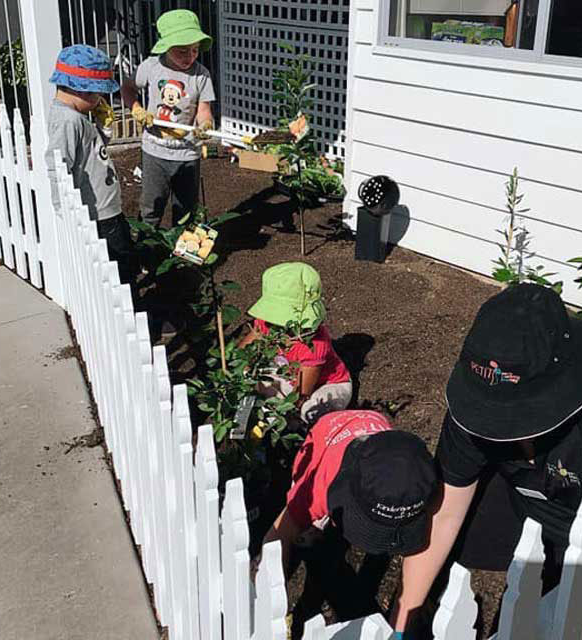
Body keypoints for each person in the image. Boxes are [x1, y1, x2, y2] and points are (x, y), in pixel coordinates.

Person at [390, 283, 582, 636]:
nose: (499, 429)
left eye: (519, 415)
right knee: (462, 552)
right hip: (536, 493)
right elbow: (444, 510)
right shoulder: (478, 395)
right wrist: (402, 622)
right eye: (491, 414)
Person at [263, 409, 438, 571]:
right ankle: (316, 527)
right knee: (304, 524)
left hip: (373, 424)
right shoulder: (319, 486)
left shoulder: (418, 475)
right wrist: (275, 586)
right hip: (325, 434)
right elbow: (277, 534)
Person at [45, 45, 135, 283]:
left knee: (124, 258)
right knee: (119, 269)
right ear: (83, 91)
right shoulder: (69, 121)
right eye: (98, 95)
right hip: (99, 214)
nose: (100, 100)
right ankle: (130, 309)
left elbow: (92, 149)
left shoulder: (74, 117)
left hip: (107, 208)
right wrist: (62, 207)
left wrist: (102, 126)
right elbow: (57, 163)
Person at [120, 9, 215, 228]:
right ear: (166, 46)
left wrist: (205, 124)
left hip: (187, 152)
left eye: (194, 50)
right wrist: (136, 108)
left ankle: (180, 255)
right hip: (155, 150)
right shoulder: (152, 67)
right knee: (151, 205)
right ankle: (146, 252)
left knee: (186, 210)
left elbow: (203, 110)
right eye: (182, 51)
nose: (190, 56)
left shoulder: (201, 75)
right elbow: (127, 87)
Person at [239, 262, 353, 424]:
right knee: (253, 380)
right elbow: (243, 354)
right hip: (289, 375)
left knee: (312, 412)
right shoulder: (267, 323)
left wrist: (273, 417)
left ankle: (292, 427)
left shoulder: (315, 343)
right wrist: (242, 374)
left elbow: (301, 394)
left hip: (328, 385)